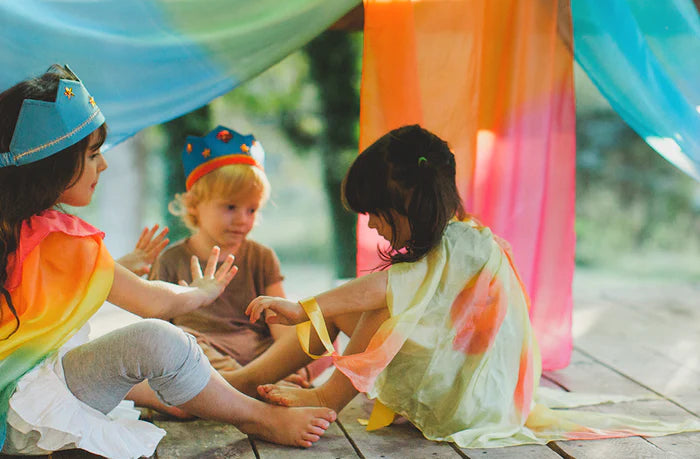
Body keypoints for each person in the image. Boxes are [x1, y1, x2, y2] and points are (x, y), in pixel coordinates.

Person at [232, 124, 699, 449]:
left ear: (411, 202)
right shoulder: (458, 240)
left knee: (372, 307)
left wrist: (300, 307)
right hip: (454, 374)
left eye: (376, 211)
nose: (372, 224)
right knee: (345, 303)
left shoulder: (465, 245)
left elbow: (383, 292)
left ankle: (319, 397)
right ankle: (260, 380)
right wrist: (314, 310)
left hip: (468, 399)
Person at [0, 65, 336, 459]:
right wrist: (198, 292)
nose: (103, 166)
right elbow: (155, 304)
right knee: (159, 338)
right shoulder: (65, 237)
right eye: (92, 155)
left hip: (20, 408)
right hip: (32, 413)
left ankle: (176, 394)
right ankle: (256, 416)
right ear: (51, 166)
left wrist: (121, 266)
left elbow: (40, 289)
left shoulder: (18, 228)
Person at [149, 126, 311, 385]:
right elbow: (157, 328)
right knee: (181, 339)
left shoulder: (262, 257)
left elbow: (280, 322)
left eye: (252, 210)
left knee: (320, 330)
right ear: (195, 205)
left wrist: (290, 359)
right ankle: (246, 384)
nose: (242, 220)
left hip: (256, 352)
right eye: (230, 207)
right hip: (201, 356)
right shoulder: (171, 260)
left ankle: (247, 383)